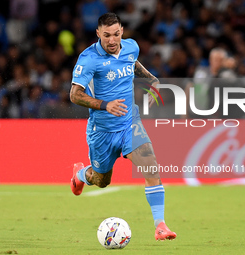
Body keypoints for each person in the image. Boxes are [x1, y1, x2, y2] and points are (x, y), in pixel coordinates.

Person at [69, 13, 176, 241]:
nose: (111, 40)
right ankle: (80, 175)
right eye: (106, 35)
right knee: (102, 180)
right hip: (102, 132)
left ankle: (160, 226)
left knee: (151, 167)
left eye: (116, 34)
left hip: (129, 123)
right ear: (98, 33)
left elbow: (132, 63)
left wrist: (152, 80)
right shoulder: (88, 59)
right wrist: (104, 105)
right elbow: (75, 95)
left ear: (122, 32)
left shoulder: (131, 47)